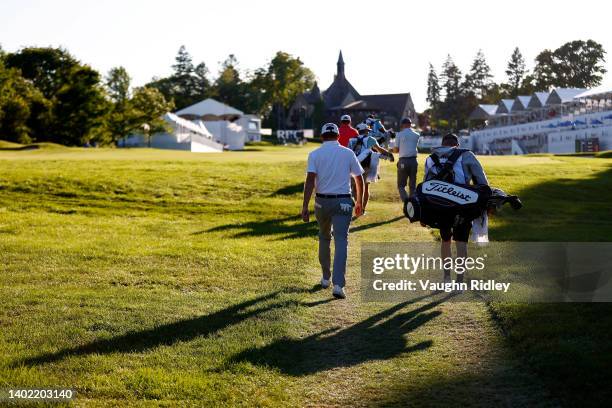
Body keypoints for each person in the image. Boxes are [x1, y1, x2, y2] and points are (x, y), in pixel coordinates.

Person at [302, 123, 365, 299]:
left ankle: (325, 277)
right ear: (338, 136)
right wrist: (359, 201)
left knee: (324, 237)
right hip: (343, 201)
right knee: (341, 241)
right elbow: (359, 179)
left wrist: (305, 206)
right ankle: (338, 285)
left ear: (322, 136)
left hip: (322, 202)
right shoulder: (347, 153)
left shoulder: (314, 154)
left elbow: (309, 181)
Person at [423, 133, 489, 283]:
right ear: (457, 145)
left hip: (439, 206)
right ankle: (459, 281)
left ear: (442, 144)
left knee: (445, 240)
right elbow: (482, 182)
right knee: (461, 243)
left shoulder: (430, 159)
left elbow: (426, 186)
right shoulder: (466, 155)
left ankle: (446, 278)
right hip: (462, 206)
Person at [348, 123, 394, 214]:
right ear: (365, 131)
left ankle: (353, 202)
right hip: (365, 166)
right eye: (368, 131)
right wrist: (389, 155)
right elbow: (379, 149)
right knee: (364, 187)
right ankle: (362, 209)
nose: (368, 132)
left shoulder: (351, 140)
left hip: (353, 166)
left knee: (352, 187)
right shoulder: (370, 139)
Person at [393, 118, 421, 202]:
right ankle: (412, 203)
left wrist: (391, 150)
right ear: (410, 124)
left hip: (403, 161)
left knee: (401, 185)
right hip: (413, 161)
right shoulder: (417, 134)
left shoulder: (399, 134)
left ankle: (406, 202)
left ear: (402, 124)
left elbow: (396, 150)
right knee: (412, 184)